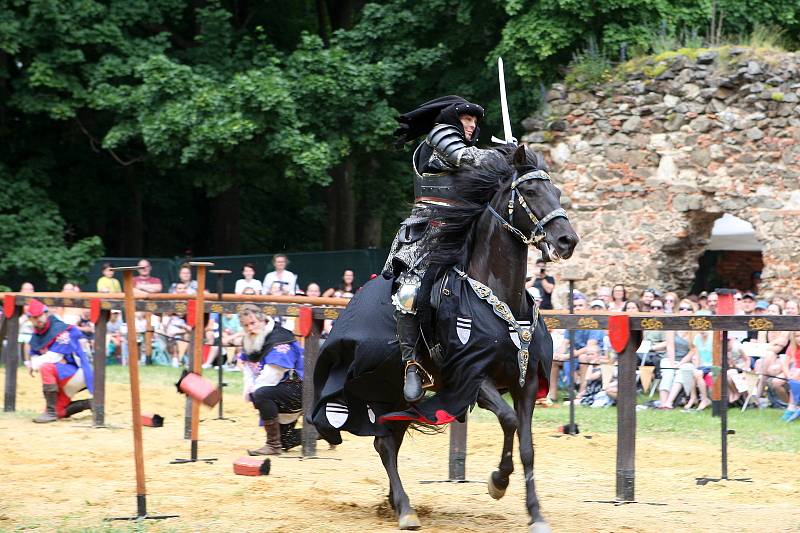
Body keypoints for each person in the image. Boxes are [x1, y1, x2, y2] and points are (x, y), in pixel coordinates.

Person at [386, 95, 494, 403]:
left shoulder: (471, 149)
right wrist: (506, 155)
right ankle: (412, 363)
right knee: (409, 292)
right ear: (452, 121)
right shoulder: (441, 138)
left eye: (475, 121)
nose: (472, 126)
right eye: (466, 120)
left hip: (463, 228)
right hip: (427, 229)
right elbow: (464, 157)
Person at [238, 304, 304, 455]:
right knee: (285, 440)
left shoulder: (280, 338)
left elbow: (273, 374)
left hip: (299, 390)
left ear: (263, 320)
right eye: (245, 325)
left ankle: (273, 446)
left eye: (253, 323)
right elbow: (248, 365)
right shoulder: (252, 338)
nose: (249, 328)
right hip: (280, 391)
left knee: (261, 394)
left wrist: (254, 393)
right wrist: (248, 388)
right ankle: (322, 431)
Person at [25, 299, 93, 423]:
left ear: (45, 313)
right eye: (34, 317)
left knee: (46, 367)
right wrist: (35, 362)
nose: (37, 319)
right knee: (59, 412)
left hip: (75, 373)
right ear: (30, 319)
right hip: (61, 379)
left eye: (39, 316)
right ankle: (88, 404)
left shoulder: (62, 329)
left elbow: (54, 356)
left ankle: (50, 412)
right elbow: (35, 355)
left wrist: (34, 364)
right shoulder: (36, 336)